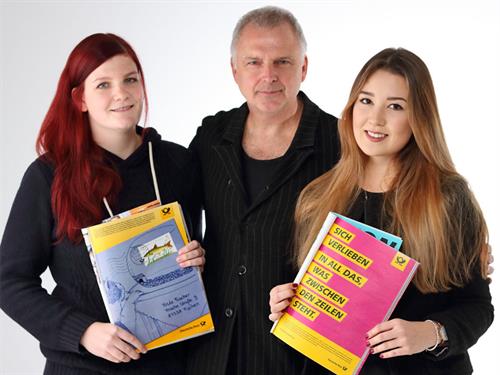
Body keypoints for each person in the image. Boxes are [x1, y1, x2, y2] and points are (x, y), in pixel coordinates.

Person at [269, 48, 493, 375]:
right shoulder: (317, 197)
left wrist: (431, 333)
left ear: (419, 117)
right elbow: (303, 296)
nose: (375, 119)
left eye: (395, 106)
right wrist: (284, 303)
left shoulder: (446, 196)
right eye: (366, 101)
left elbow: (478, 306)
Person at [0, 33, 205, 375]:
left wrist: (199, 259)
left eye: (130, 80)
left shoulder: (179, 164)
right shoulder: (49, 176)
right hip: (82, 367)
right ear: (79, 99)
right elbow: (9, 281)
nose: (121, 94)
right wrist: (82, 332)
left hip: (170, 365)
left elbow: (200, 259)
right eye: (103, 85)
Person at [186, 6, 340, 375]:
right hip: (210, 353)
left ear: (303, 68)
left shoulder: (340, 144)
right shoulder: (211, 136)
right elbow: (174, 216)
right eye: (254, 62)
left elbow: (384, 226)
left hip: (296, 357)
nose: (268, 76)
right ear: (235, 71)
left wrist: (455, 247)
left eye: (282, 61)